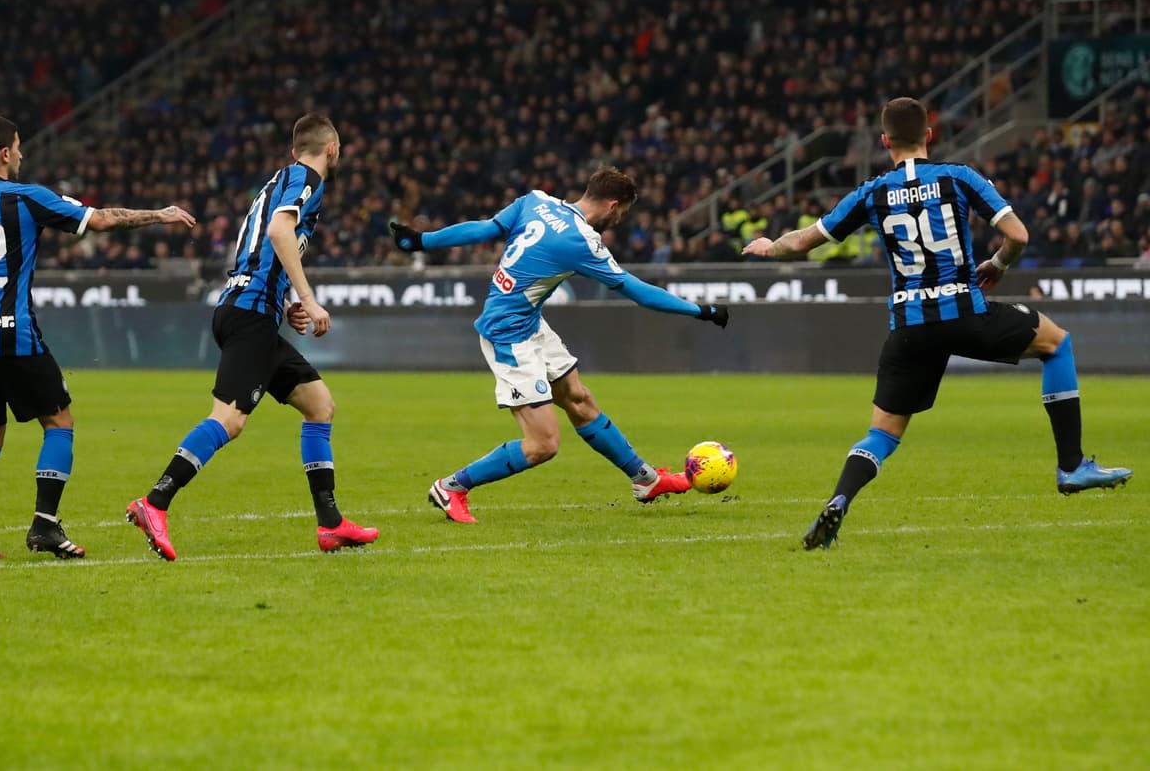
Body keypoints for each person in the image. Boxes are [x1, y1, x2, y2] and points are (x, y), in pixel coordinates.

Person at [742, 97, 1133, 550]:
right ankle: (1071, 466)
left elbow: (803, 242)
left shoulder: (871, 192)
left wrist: (770, 247)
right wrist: (999, 264)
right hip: (966, 311)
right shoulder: (958, 177)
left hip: (909, 326)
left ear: (884, 141)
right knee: (1056, 344)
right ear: (930, 135)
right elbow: (1019, 235)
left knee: (882, 433)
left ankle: (840, 499)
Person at [390, 166, 730, 523]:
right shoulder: (582, 242)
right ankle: (452, 487)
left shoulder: (535, 201)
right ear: (613, 205)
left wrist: (421, 241)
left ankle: (645, 480)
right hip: (508, 334)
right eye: (622, 213)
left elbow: (485, 228)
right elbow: (638, 291)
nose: (619, 220)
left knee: (579, 400)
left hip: (530, 323)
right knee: (543, 444)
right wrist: (700, 310)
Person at [0, 115, 197, 560]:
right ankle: (45, 525)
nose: (21, 154)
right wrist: (158, 214)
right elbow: (98, 221)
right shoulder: (26, 196)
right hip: (13, 333)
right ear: (4, 153)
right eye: (18, 147)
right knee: (59, 422)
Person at [126, 114, 378, 559]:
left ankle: (331, 525)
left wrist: (286, 306)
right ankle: (154, 501)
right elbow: (279, 233)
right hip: (248, 315)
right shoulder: (306, 179)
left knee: (319, 405)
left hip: (250, 309)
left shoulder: (275, 182)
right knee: (230, 420)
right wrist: (308, 297)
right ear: (333, 150)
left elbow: (258, 252)